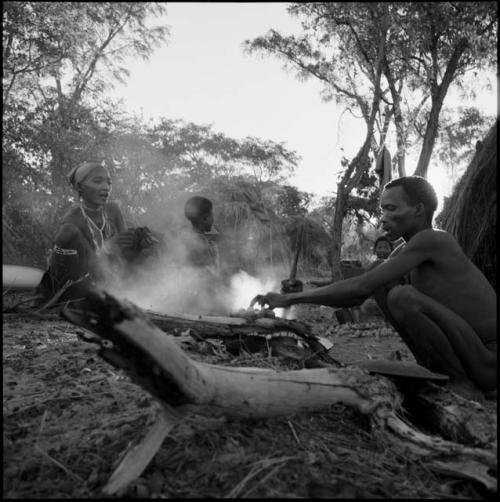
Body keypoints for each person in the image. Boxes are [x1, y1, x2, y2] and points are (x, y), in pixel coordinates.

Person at [251, 176, 496, 402]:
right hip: (470, 356)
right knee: (383, 280)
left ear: (419, 210)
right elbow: (359, 290)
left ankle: (460, 385)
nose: (382, 218)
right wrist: (296, 295)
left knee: (403, 297)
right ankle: (438, 373)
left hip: (489, 362)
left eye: (392, 209)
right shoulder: (403, 252)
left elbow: (360, 286)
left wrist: (290, 299)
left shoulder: (434, 239)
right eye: (382, 210)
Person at [37, 161, 128, 302]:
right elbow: (69, 264)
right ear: (80, 187)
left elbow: (125, 248)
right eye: (98, 181)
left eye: (109, 183)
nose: (106, 187)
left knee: (142, 241)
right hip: (77, 284)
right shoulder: (73, 219)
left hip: (108, 280)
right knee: (68, 233)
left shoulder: (113, 209)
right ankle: (69, 300)